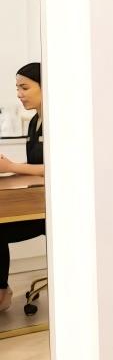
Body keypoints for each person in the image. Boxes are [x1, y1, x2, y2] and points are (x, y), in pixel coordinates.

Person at [0, 62, 45, 312]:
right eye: (17, 88)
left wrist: (12, 166)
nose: (19, 94)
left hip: (55, 207)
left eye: (24, 87)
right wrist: (10, 167)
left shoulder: (59, 123)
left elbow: (57, 169)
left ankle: (2, 293)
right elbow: (37, 165)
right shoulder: (34, 121)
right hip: (38, 198)